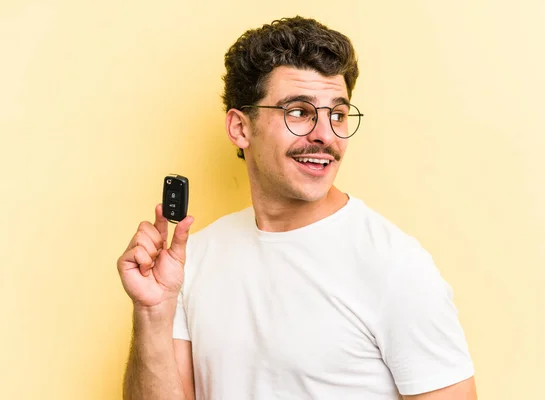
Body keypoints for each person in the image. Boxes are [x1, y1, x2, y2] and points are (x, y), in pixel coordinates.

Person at [117, 16, 478, 400]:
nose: (325, 135)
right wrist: (153, 314)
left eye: (337, 114)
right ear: (240, 128)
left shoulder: (395, 266)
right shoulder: (195, 258)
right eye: (299, 112)